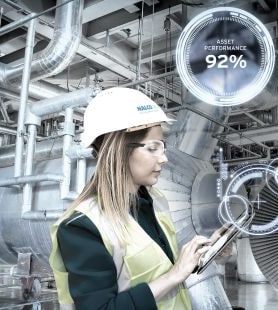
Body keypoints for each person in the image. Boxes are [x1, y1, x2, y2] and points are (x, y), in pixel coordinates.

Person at [49, 87, 218, 309]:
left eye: (163, 147)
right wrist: (174, 275)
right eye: (153, 148)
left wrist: (196, 257)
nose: (164, 158)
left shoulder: (155, 201)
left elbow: (156, 265)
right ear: (119, 150)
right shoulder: (82, 227)